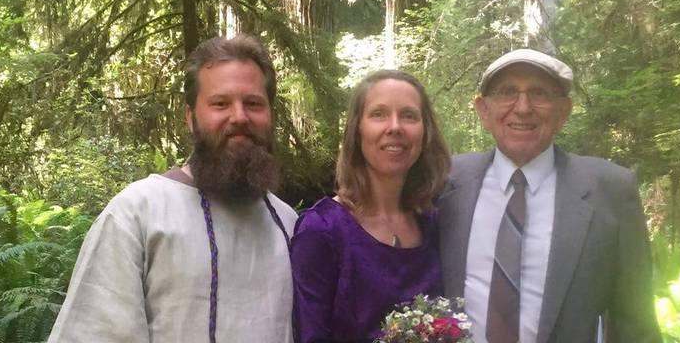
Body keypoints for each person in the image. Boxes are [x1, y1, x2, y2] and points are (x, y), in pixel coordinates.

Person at [48, 35, 298, 343]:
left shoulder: (288, 224)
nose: (239, 117)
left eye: (254, 103)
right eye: (220, 103)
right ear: (190, 118)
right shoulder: (138, 212)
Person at [437, 49, 662, 343]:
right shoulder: (446, 182)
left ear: (563, 111)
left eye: (539, 93)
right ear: (483, 110)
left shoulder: (610, 190)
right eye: (507, 92)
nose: (523, 107)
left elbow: (635, 322)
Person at [291, 70, 452, 343]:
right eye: (379, 114)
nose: (395, 127)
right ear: (357, 130)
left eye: (409, 115)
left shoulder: (436, 225)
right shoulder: (322, 231)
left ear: (425, 133)